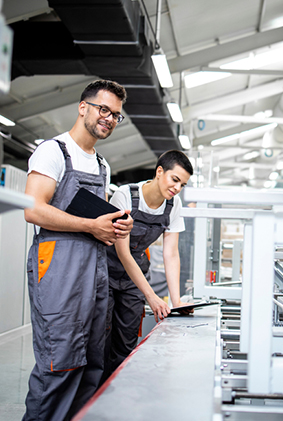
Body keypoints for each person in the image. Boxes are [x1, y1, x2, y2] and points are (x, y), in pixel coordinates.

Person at [23, 79, 133, 421]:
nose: (109, 119)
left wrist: (114, 228)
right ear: (82, 107)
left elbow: (95, 219)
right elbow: (33, 209)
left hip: (93, 273)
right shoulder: (53, 151)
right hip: (58, 270)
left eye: (116, 115)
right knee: (59, 364)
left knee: (91, 365)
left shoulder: (102, 165)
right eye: (104, 109)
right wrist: (90, 226)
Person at [104, 150, 193, 376]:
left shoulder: (173, 205)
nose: (177, 188)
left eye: (182, 185)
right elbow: (123, 253)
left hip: (135, 280)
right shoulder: (126, 196)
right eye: (175, 180)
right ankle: (91, 401)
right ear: (159, 171)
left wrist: (176, 302)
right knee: (100, 341)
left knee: (126, 343)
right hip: (107, 273)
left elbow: (171, 253)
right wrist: (152, 297)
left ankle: (118, 395)